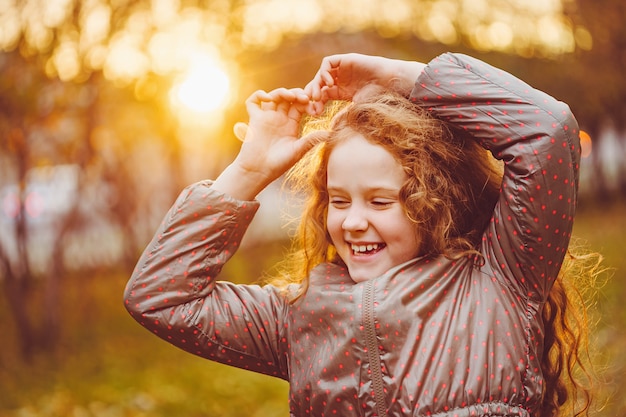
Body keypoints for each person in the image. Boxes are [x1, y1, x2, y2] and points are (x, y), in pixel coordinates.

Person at [124, 52, 599, 416]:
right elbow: (161, 297)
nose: (352, 221)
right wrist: (248, 170)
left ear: (437, 202)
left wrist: (402, 80)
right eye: (339, 199)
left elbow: (547, 132)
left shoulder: (500, 279)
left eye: (380, 200)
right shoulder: (298, 317)